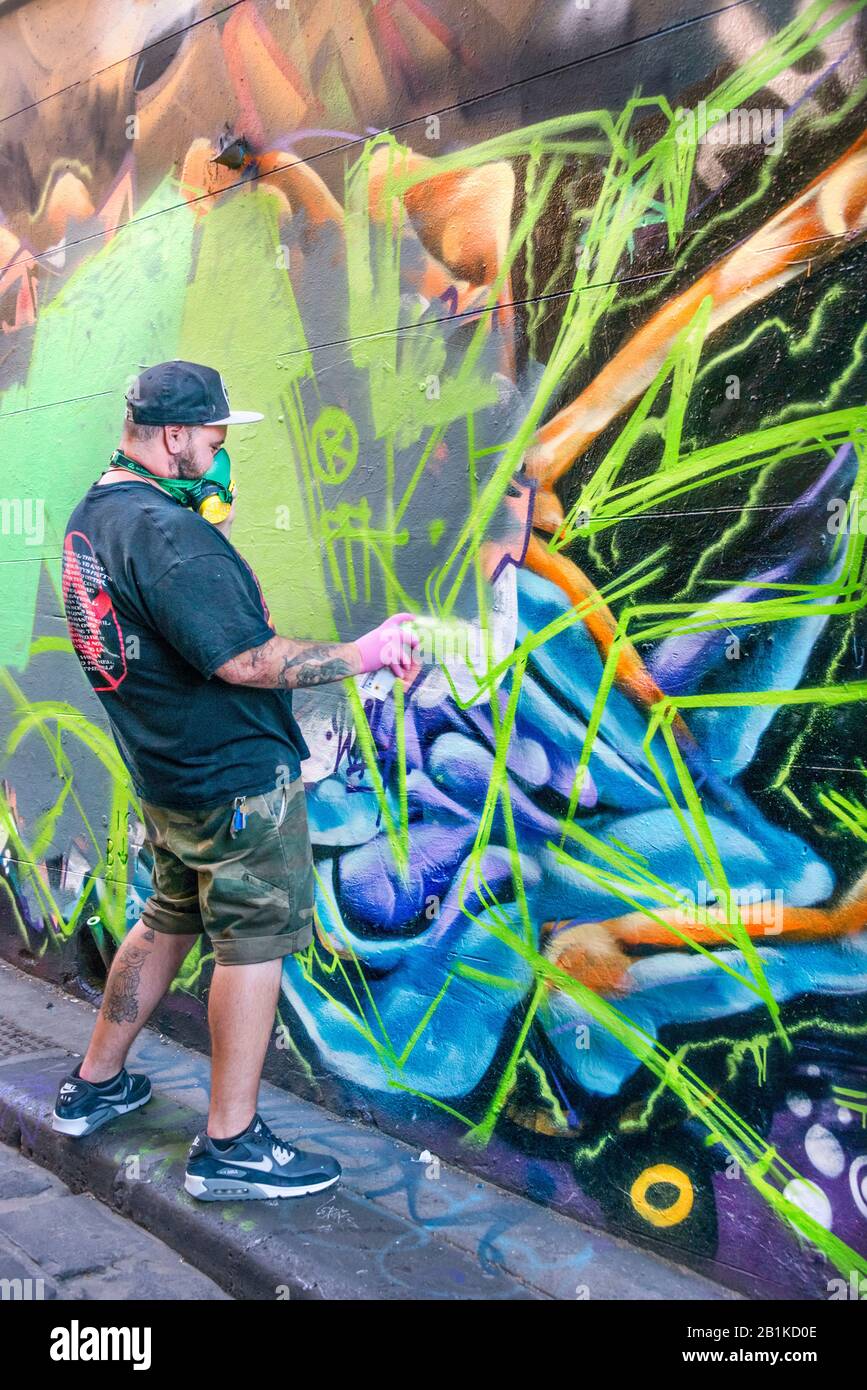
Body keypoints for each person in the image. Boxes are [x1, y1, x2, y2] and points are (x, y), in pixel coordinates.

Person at [53, 360, 419, 1202]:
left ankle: (94, 1083)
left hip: (168, 777)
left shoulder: (92, 519)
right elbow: (246, 658)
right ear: (175, 435)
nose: (222, 452)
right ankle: (229, 1144)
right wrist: (365, 653)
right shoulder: (167, 533)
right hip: (235, 782)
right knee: (252, 944)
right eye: (214, 437)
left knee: (166, 917)